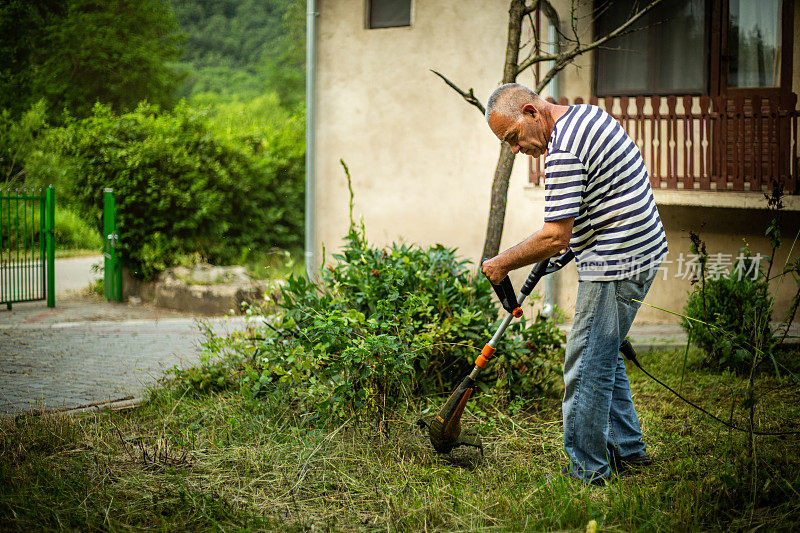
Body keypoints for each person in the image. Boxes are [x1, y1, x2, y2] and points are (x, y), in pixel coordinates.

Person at [480, 83, 668, 486]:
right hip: (643, 248)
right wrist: (576, 242)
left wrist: (499, 264)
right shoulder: (586, 116)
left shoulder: (561, 152)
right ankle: (628, 450)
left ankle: (587, 472)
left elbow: (554, 236)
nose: (516, 149)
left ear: (531, 112)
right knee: (605, 353)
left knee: (585, 364)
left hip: (617, 261)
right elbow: (601, 196)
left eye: (513, 138)